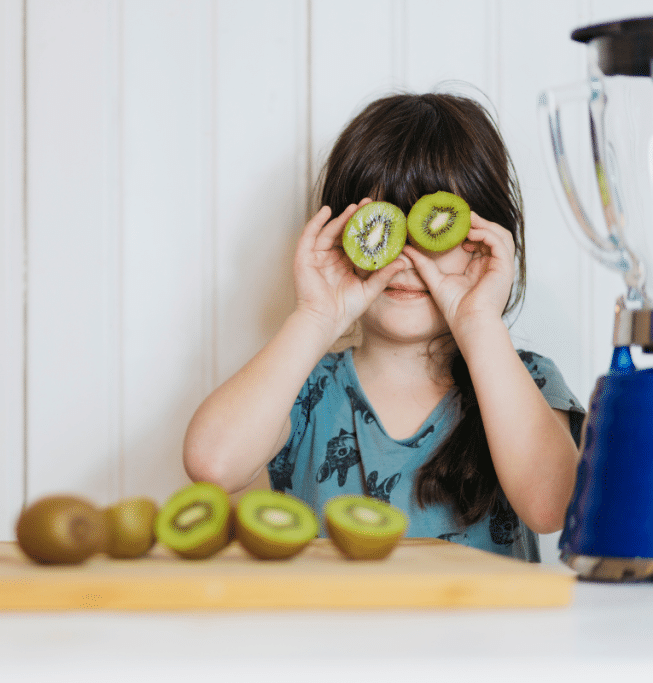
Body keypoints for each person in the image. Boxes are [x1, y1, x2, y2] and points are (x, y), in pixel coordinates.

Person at [182, 91, 586, 561]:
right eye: (385, 226)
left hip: (485, 634)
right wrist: (316, 317)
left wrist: (479, 322)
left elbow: (553, 506)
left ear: (483, 245)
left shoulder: (526, 382)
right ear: (345, 238)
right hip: (340, 634)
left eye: (432, 229)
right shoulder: (302, 390)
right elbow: (212, 465)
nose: (406, 259)